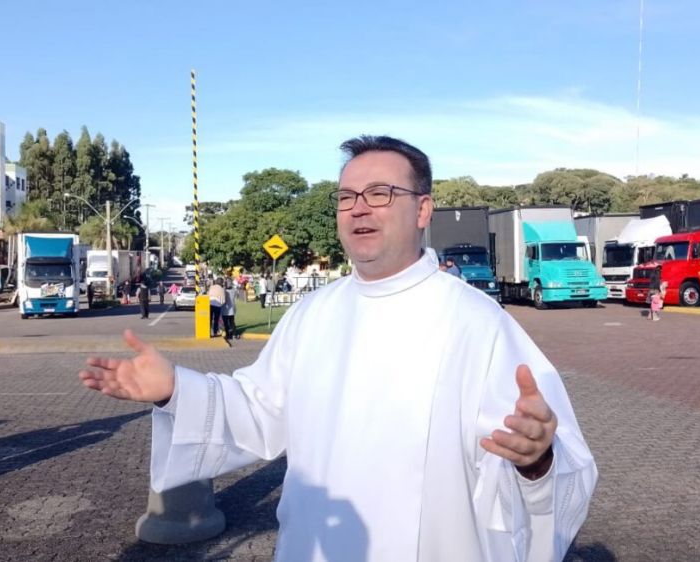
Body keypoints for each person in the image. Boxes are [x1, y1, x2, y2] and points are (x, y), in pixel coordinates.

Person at [79, 135, 596, 561]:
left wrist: (536, 460)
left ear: (423, 210)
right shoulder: (313, 313)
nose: (358, 209)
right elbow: (260, 411)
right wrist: (176, 390)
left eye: (380, 193)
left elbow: (548, 463)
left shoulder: (479, 323)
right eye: (347, 197)